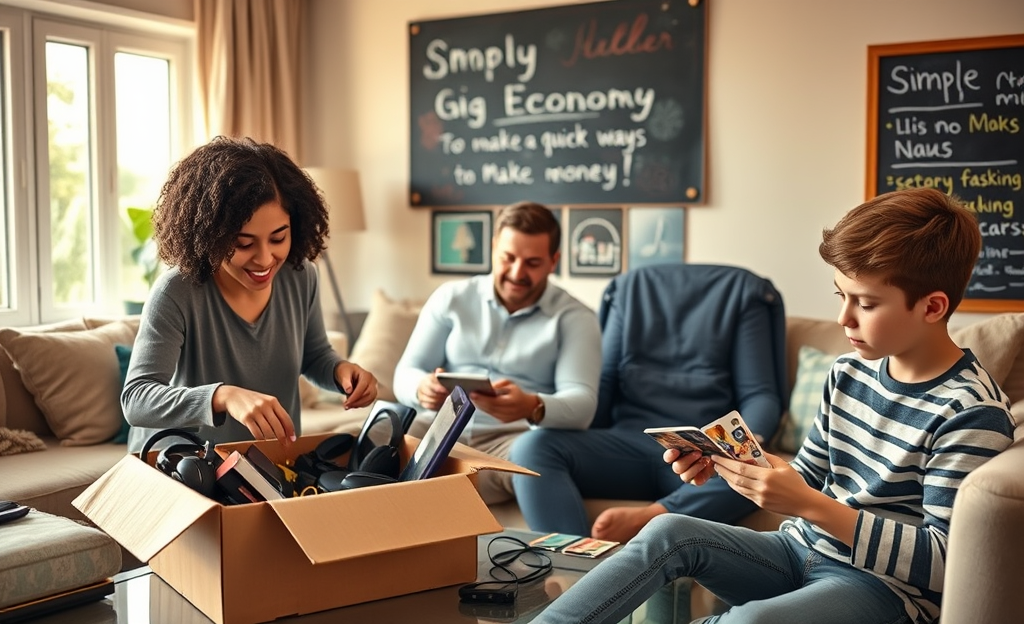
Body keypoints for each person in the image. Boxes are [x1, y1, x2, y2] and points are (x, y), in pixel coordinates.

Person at [532, 187, 1016, 624]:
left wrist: (810, 505)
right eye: (840, 295)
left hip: (883, 589)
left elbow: (947, 560)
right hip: (796, 549)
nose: (843, 318)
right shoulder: (847, 373)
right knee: (669, 531)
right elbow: (806, 475)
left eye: (865, 304)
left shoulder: (970, 411)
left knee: (751, 623)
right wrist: (727, 463)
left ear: (931, 307)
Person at [122, 136, 378, 453]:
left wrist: (341, 372)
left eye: (278, 238)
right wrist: (223, 396)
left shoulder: (302, 276)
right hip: (182, 467)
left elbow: (314, 357)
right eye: (244, 243)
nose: (265, 258)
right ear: (210, 235)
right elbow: (137, 399)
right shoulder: (177, 290)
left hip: (270, 460)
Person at [511, 262, 787, 543]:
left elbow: (759, 394)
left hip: (701, 454)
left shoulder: (745, 295)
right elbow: (604, 382)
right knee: (530, 447)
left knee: (757, 471)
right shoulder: (626, 293)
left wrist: (746, 446)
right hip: (624, 446)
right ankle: (574, 565)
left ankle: (653, 518)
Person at [393, 201, 602, 504]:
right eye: (508, 258)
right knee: (370, 436)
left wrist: (532, 406)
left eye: (532, 263)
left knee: (533, 459)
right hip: (439, 427)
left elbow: (583, 404)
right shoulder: (451, 298)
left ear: (553, 261)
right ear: (493, 248)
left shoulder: (576, 318)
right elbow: (406, 371)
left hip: (515, 440)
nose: (517, 273)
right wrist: (421, 388)